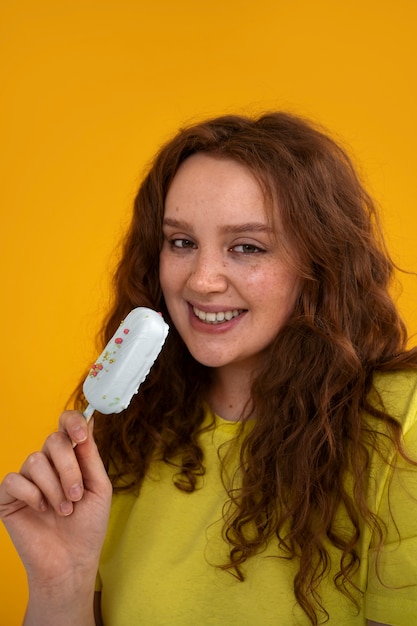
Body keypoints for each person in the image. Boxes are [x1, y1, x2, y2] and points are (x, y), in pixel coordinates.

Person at [1, 112, 417, 626]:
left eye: (246, 247)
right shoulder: (122, 434)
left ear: (320, 261)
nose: (201, 281)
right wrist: (61, 584)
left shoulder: (400, 425)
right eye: (181, 242)